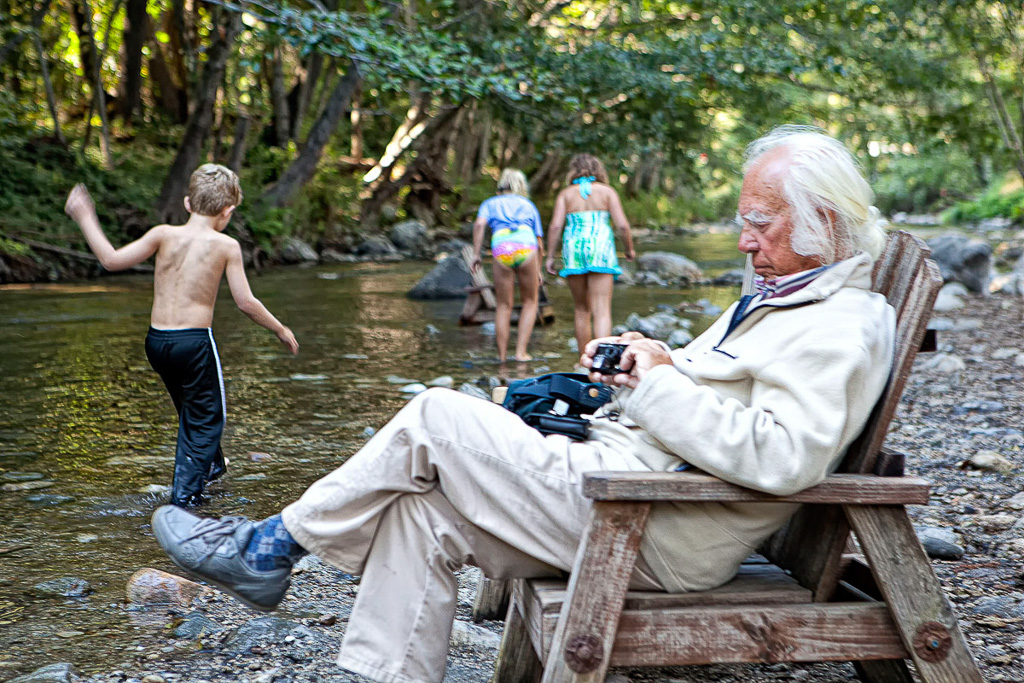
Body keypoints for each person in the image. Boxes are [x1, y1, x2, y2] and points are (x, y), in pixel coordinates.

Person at [151, 126, 895, 683]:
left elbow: (783, 456)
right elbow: (732, 397)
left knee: (437, 416)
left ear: (823, 222)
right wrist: (660, 358)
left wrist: (654, 384)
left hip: (648, 519)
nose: (742, 241)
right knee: (420, 516)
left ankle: (270, 547)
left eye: (758, 224)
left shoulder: (839, 324)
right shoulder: (790, 293)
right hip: (622, 488)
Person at [64, 164, 299, 508]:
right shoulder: (226, 245)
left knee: (194, 409)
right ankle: (184, 502)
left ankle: (212, 464)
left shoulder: (163, 234)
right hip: (194, 343)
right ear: (228, 211)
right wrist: (279, 328)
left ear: (188, 203)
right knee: (208, 416)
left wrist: (85, 215)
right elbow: (246, 302)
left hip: (157, 343)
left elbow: (111, 260)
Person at [545, 154, 636, 353]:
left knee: (581, 309)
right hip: (601, 249)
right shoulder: (607, 192)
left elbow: (555, 226)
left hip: (573, 250)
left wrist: (550, 256)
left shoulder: (566, 194)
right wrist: (628, 249)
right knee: (601, 309)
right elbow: (622, 225)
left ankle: (583, 361)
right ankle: (600, 363)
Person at [469, 169, 545, 362]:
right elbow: (540, 242)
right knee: (530, 301)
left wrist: (476, 254)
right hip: (526, 245)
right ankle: (520, 353)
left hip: (501, 246)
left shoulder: (490, 203)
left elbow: (479, 225)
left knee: (503, 305)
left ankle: (502, 357)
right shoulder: (528, 205)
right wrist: (539, 269)